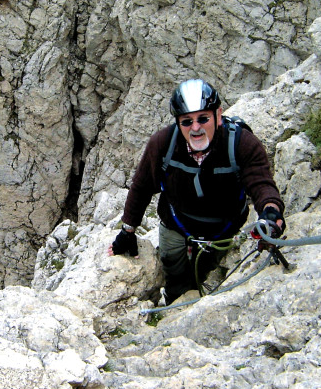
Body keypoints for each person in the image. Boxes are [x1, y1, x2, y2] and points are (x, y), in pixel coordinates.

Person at [107, 78, 285, 304]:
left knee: (210, 273)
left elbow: (261, 183)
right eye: (186, 121)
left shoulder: (241, 144)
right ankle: (174, 303)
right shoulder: (163, 144)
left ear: (218, 116)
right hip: (176, 225)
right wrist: (127, 231)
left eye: (203, 118)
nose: (196, 128)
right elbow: (141, 187)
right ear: (178, 123)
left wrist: (271, 213)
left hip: (225, 231)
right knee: (174, 273)